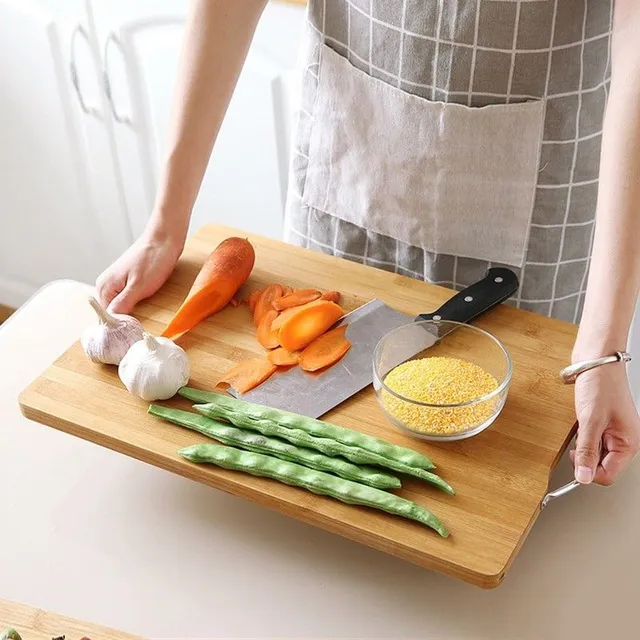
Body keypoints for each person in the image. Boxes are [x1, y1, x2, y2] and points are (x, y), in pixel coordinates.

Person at [96, 0, 640, 486]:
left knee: (498, 473)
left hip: (534, 202)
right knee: (302, 459)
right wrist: (166, 223)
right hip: (352, 152)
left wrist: (601, 349)